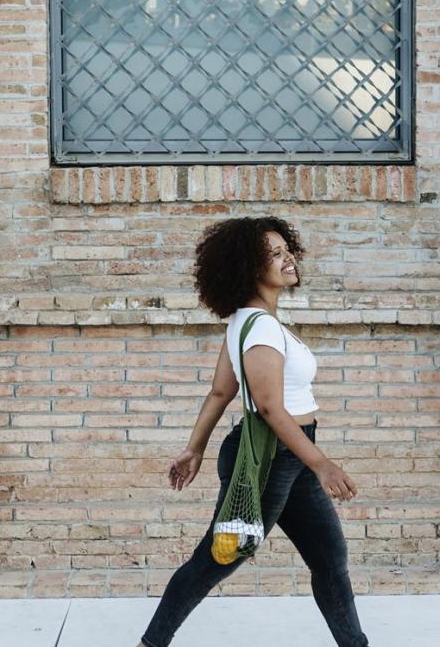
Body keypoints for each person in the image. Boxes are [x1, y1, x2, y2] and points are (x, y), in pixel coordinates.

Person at [139, 216, 369, 647]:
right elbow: (267, 407)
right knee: (216, 559)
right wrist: (322, 464)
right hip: (272, 458)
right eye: (274, 254)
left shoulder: (247, 322)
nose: (288, 259)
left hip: (290, 457)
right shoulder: (259, 327)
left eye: (287, 249)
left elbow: (220, 391)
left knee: (331, 561)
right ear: (248, 268)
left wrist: (195, 449)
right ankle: (149, 644)